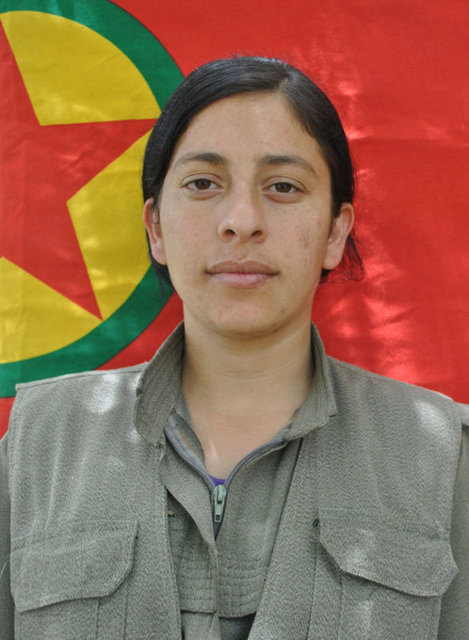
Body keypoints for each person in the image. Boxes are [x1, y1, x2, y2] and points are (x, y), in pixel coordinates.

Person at [0, 56, 467, 640]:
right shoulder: (41, 443)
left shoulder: (440, 457)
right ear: (156, 228)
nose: (242, 221)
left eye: (283, 187)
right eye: (203, 184)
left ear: (334, 231)